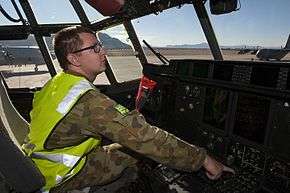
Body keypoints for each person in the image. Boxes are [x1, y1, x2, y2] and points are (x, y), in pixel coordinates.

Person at [22, 26, 234, 193]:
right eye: (94, 48)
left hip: (42, 164)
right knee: (142, 151)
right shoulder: (87, 101)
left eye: (101, 45)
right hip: (62, 177)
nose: (103, 51)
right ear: (73, 58)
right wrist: (203, 159)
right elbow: (145, 138)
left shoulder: (58, 84)